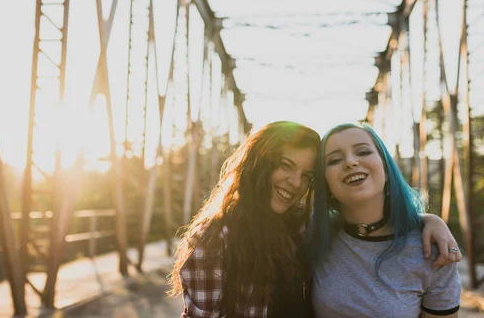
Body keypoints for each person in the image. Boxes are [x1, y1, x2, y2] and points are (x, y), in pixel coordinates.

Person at [168, 121, 461, 318]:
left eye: (306, 176)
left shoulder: (306, 228)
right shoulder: (218, 238)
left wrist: (428, 219)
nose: (296, 183)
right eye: (285, 165)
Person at [310, 123, 461, 318]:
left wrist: (430, 220)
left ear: (387, 169)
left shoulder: (433, 249)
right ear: (326, 183)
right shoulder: (313, 234)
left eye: (363, 152)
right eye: (335, 160)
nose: (350, 162)